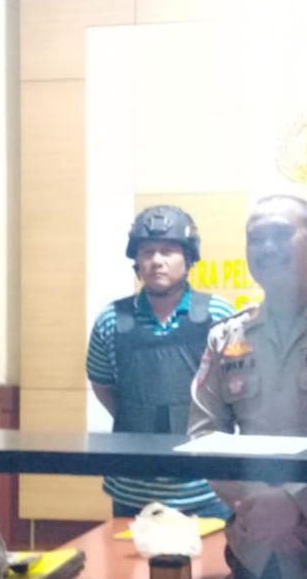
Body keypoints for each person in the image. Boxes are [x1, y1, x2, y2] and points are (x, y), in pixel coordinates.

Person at [189, 194, 307, 579]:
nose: (267, 247)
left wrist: (295, 503)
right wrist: (260, 507)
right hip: (255, 549)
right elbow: (203, 436)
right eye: (256, 238)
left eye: (281, 234)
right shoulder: (227, 336)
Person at [86, 205, 234, 517]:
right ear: (136, 261)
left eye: (168, 251)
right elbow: (102, 385)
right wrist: (140, 417)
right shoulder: (110, 319)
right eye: (147, 252)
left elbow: (236, 390)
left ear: (188, 258)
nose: (156, 260)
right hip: (132, 489)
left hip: (207, 488)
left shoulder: (219, 315)